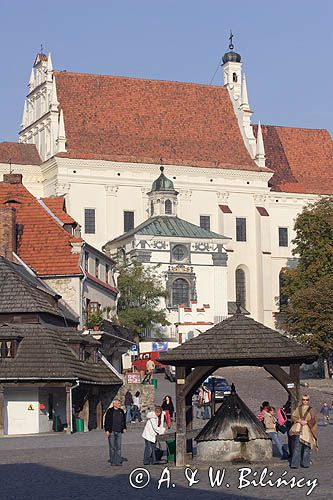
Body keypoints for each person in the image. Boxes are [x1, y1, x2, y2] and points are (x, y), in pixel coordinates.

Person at [290, 394, 318, 469]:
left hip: (307, 430)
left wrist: (307, 422)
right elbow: (293, 416)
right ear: (302, 400)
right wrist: (299, 420)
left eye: (306, 400)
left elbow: (314, 419)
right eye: (303, 400)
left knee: (307, 447)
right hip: (298, 429)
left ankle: (305, 463)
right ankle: (295, 464)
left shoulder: (311, 409)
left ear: (309, 401)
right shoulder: (298, 408)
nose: (305, 401)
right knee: (297, 447)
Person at [104, 399, 127, 466]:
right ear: (114, 404)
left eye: (119, 403)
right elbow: (107, 421)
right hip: (111, 431)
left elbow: (123, 420)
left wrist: (124, 427)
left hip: (119, 431)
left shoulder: (121, 411)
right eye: (118, 403)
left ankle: (118, 461)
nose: (119, 404)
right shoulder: (110, 411)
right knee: (112, 447)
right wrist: (107, 430)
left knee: (119, 447)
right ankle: (113, 461)